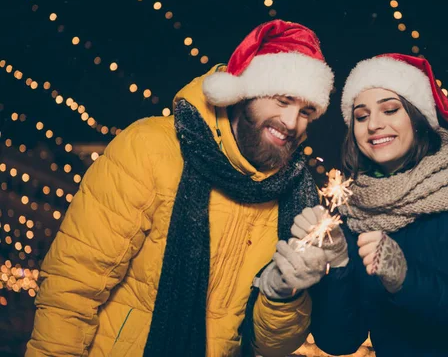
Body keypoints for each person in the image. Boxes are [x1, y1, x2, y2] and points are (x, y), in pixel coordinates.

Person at [25, 20, 335, 357]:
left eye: (306, 111)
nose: (291, 122)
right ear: (243, 93)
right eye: (282, 100)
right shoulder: (149, 148)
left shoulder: (295, 197)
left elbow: (270, 346)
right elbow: (70, 288)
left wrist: (283, 293)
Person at [292, 54, 448, 356]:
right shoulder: (357, 211)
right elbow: (339, 341)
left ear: (419, 118)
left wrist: (407, 278)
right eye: (361, 117)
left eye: (390, 110)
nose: (374, 125)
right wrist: (337, 266)